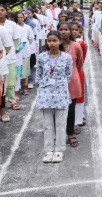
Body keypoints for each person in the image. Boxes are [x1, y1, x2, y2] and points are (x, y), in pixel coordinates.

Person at [31, 30, 73, 165]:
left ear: (60, 41)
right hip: (46, 94)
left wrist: (58, 84)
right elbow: (38, 76)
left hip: (61, 93)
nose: (52, 43)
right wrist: (45, 87)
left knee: (61, 123)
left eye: (55, 40)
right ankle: (48, 150)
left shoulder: (67, 57)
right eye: (49, 41)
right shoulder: (41, 57)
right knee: (47, 124)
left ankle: (59, 149)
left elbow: (68, 76)